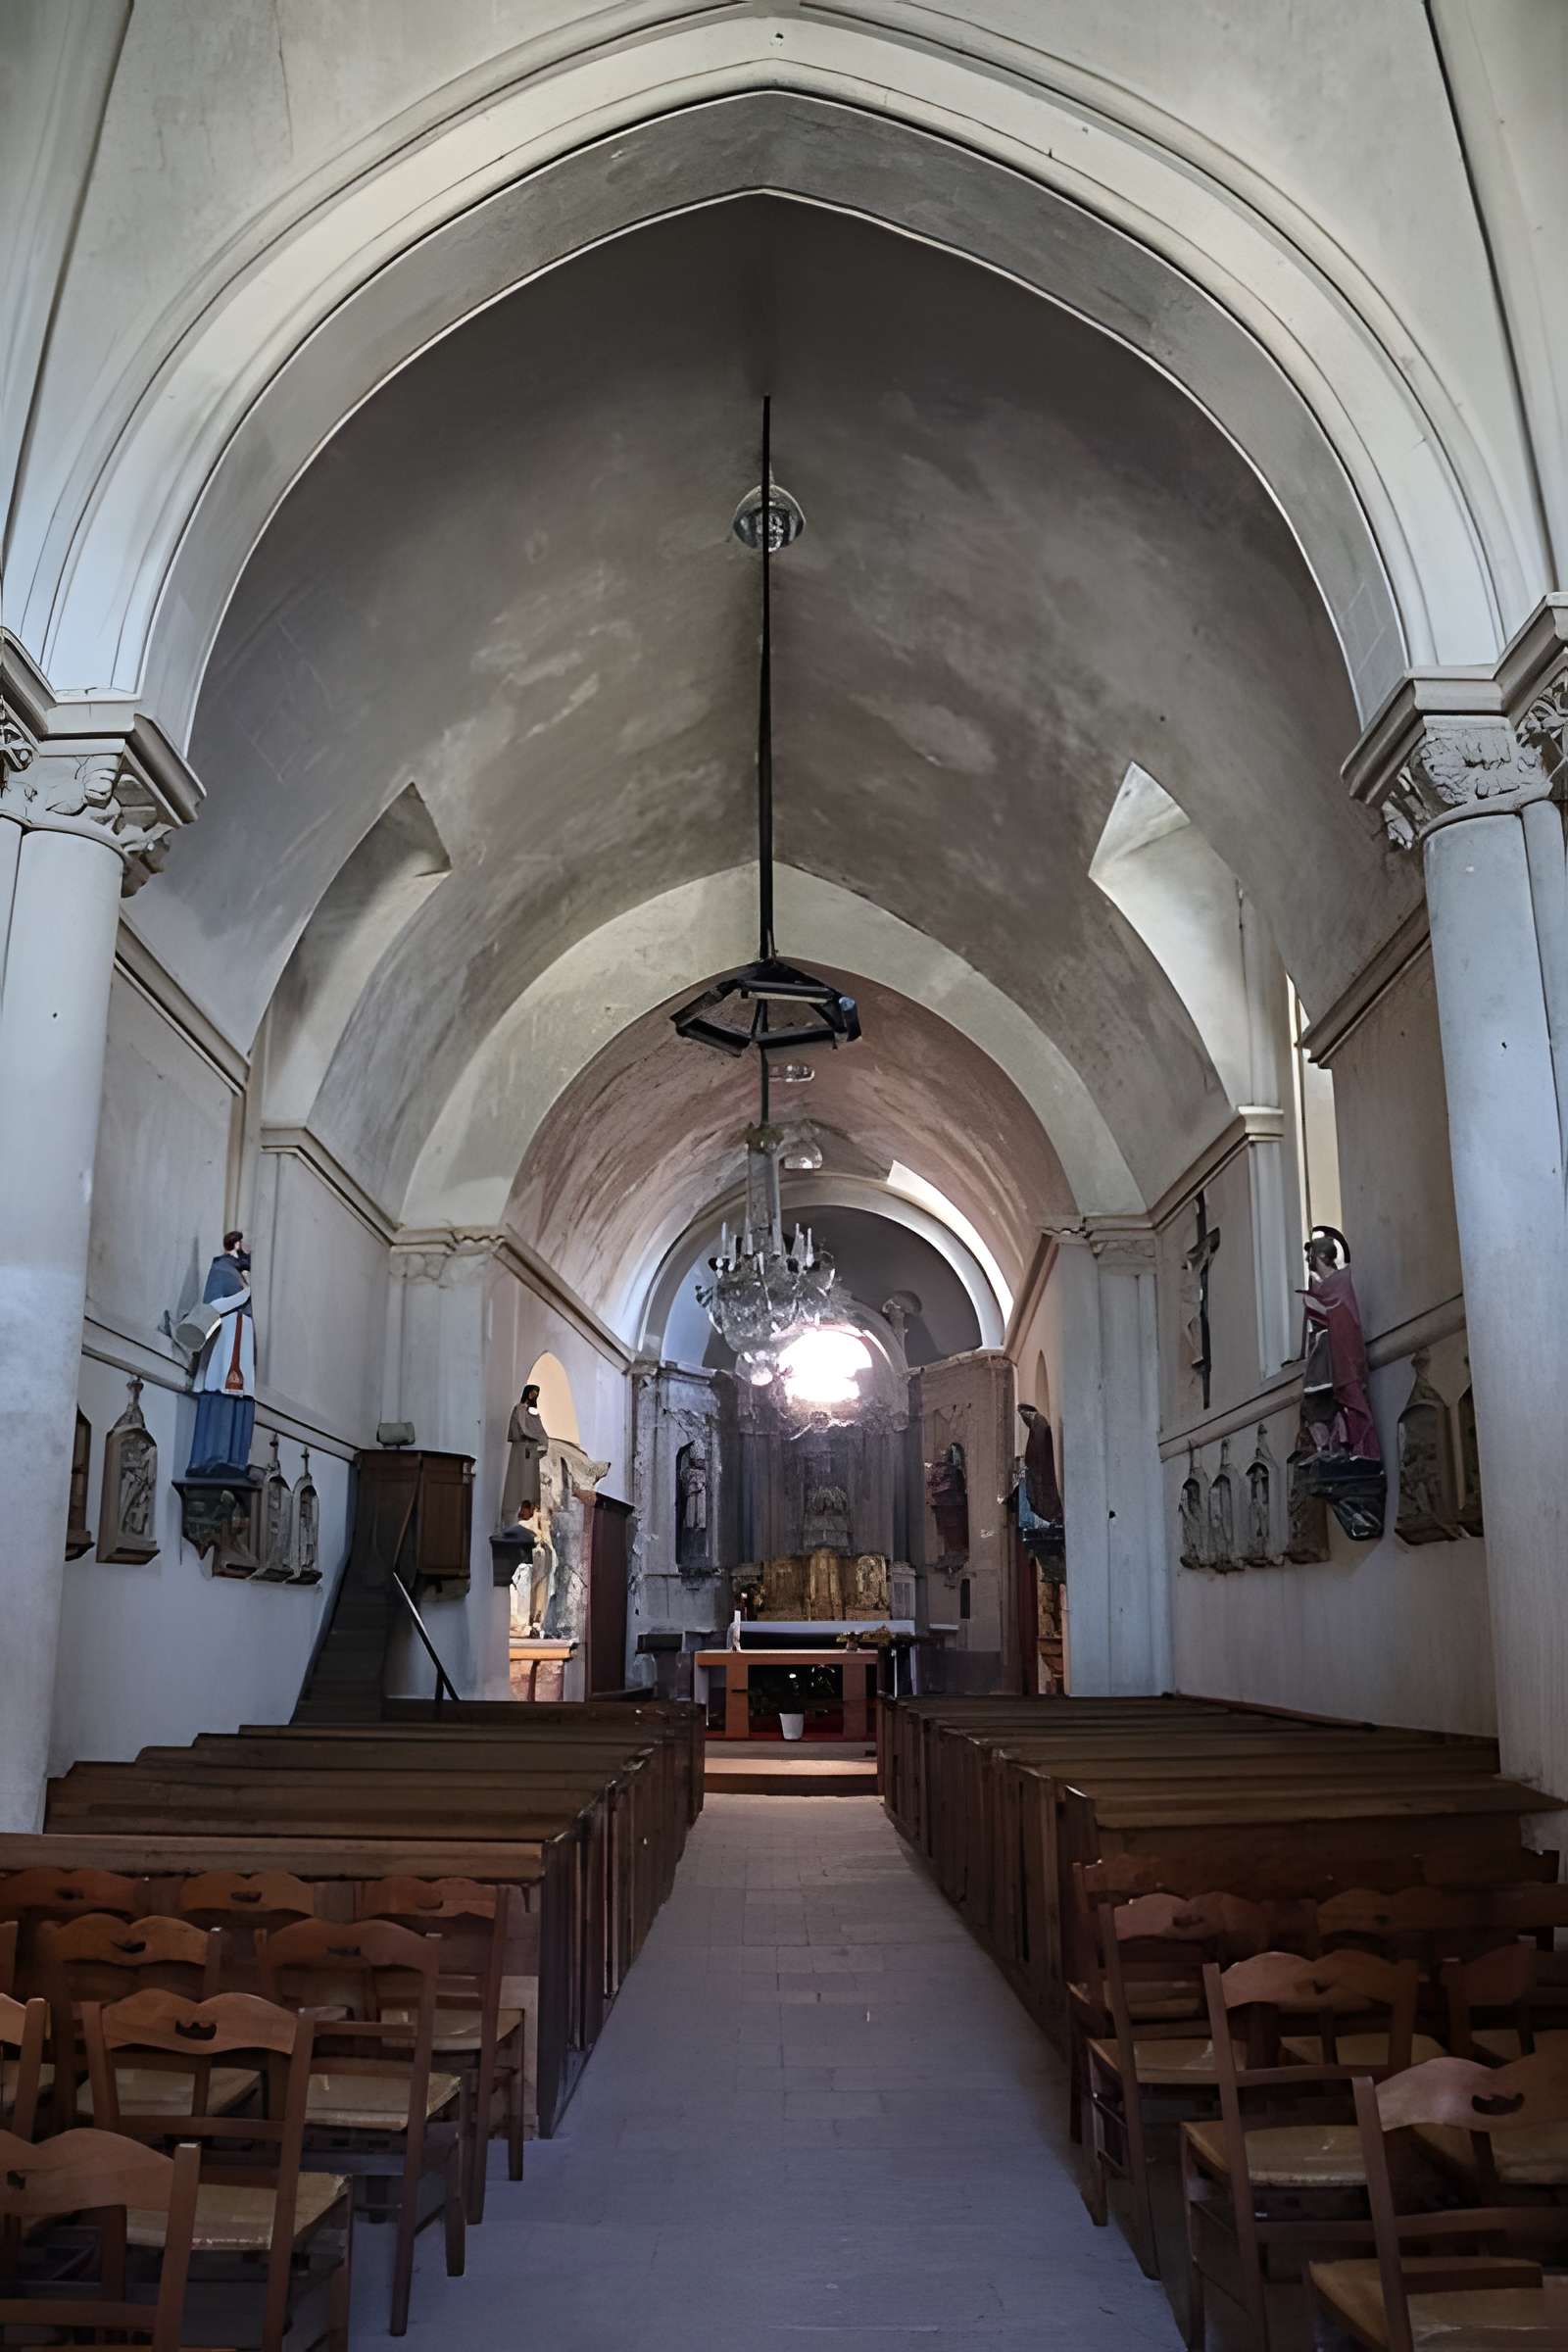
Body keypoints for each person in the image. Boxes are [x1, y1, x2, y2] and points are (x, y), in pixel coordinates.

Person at [1299, 1226, 1380, 1461]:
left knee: (1345, 1403)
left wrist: (1321, 1309)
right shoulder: (1321, 1287)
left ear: (1323, 1256)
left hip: (1340, 1354)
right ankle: (1330, 1448)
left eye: (1310, 1256)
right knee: (1316, 1403)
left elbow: (1345, 1316)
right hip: (1323, 1355)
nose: (1308, 1260)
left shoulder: (1341, 1282)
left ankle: (1352, 1447)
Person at [186, 1230, 257, 1475]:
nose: (250, 1251)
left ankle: (234, 1458)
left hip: (242, 1345)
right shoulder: (221, 1270)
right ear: (236, 1244)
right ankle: (212, 1456)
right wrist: (246, 1296)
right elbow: (212, 1305)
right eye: (247, 1245)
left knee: (241, 1398)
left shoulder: (241, 1276)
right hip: (226, 1344)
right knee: (220, 1394)